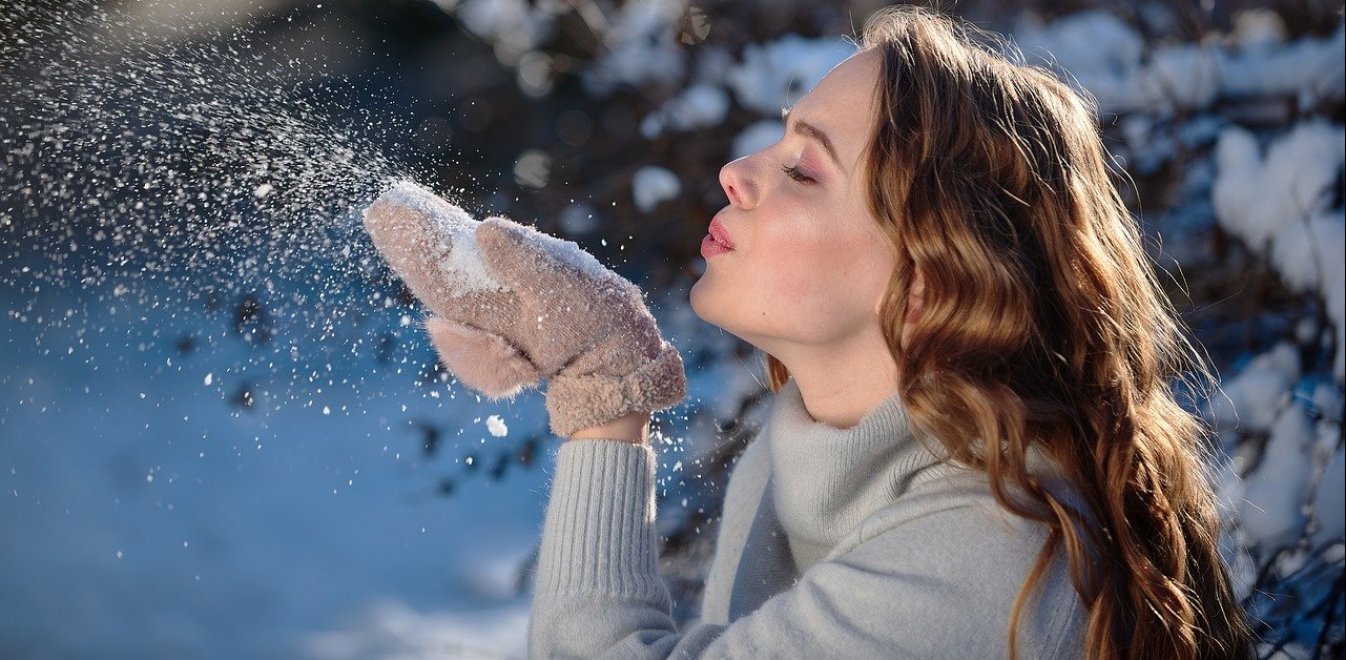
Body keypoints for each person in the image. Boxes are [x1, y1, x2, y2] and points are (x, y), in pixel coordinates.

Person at [363, 5, 1255, 658]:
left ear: (927, 282)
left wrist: (606, 392)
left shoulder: (990, 559)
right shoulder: (806, 454)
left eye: (802, 168)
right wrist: (604, 375)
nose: (739, 171)